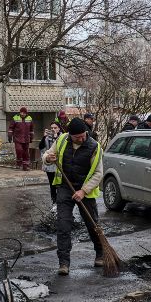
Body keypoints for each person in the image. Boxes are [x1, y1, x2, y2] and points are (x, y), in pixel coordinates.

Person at [42, 117, 104, 276]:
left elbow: (98, 174)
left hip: (85, 191)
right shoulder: (62, 140)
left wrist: (83, 191)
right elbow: (47, 155)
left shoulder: (94, 147)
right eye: (77, 137)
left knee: (92, 224)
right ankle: (63, 263)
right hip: (65, 187)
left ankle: (101, 253)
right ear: (70, 135)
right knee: (63, 225)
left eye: (83, 136)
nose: (81, 139)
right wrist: (48, 158)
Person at [39, 122, 62, 209]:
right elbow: (41, 148)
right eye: (51, 128)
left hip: (59, 166)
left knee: (60, 185)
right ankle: (54, 202)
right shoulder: (47, 138)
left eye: (55, 128)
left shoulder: (62, 137)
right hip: (50, 165)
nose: (53, 129)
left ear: (59, 128)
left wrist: (56, 138)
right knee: (52, 185)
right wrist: (44, 137)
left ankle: (61, 202)